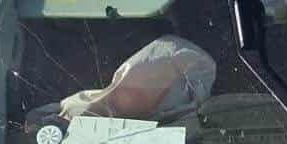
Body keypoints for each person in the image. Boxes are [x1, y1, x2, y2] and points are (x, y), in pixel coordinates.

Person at [59, 36, 216, 125]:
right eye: (149, 78)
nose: (158, 91)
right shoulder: (77, 108)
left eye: (166, 88)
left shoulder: (182, 133)